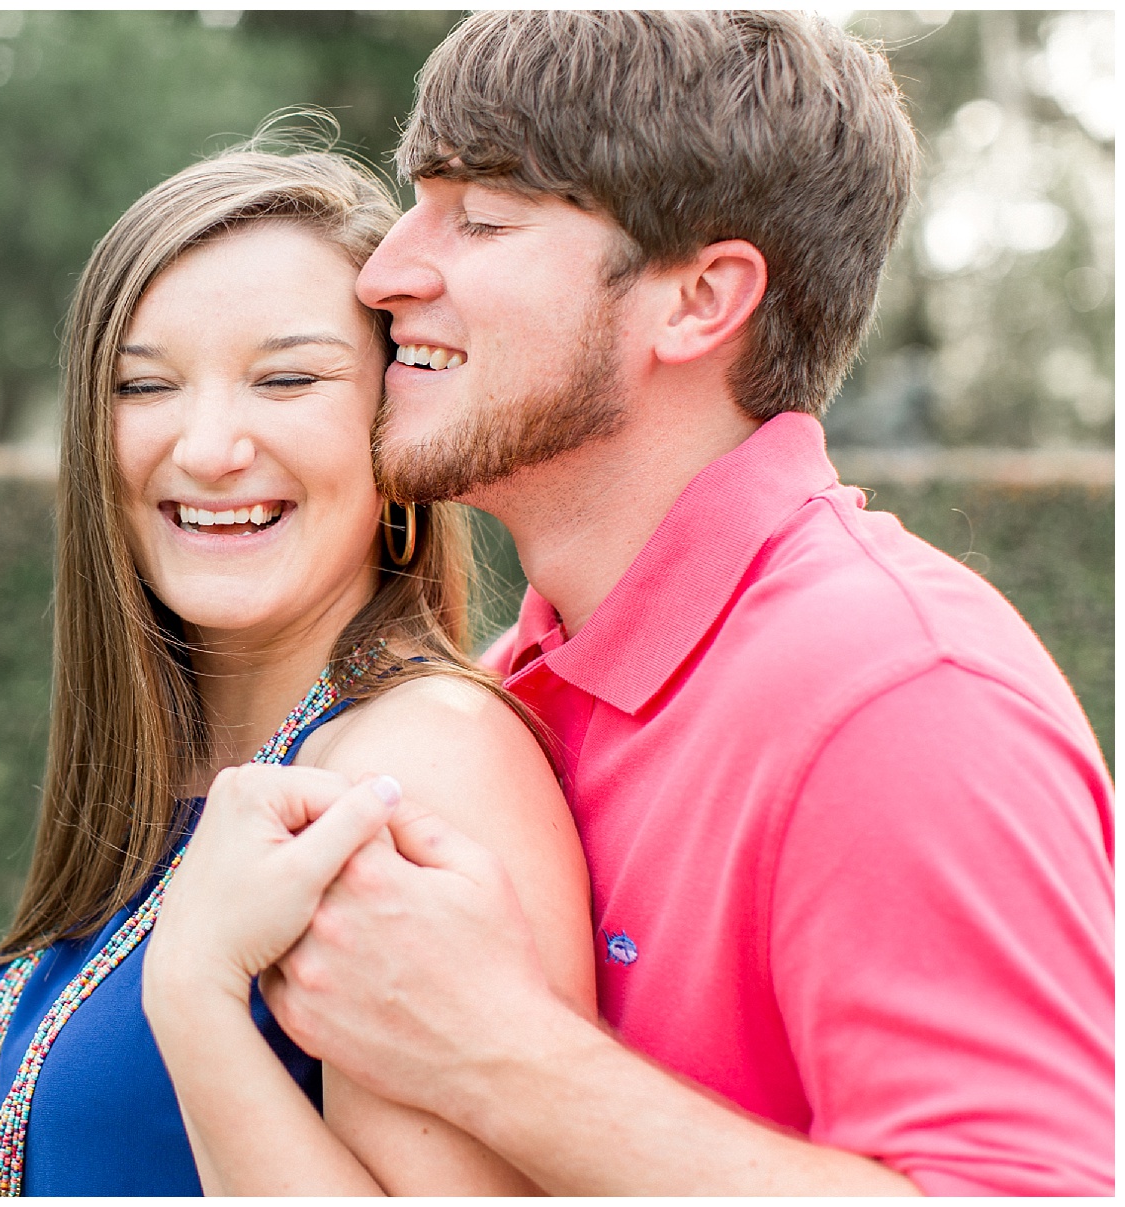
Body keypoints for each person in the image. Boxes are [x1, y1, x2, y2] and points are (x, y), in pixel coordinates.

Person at [169, 10, 1115, 1197]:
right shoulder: (513, 680)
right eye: (419, 201)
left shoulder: (900, 695)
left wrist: (499, 1053)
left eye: (483, 218)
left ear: (698, 301)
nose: (386, 271)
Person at [0, 141, 594, 1196]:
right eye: (143, 385)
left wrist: (195, 999)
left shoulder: (417, 765)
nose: (207, 445)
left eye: (287, 378)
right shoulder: (176, 772)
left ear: (396, 426)